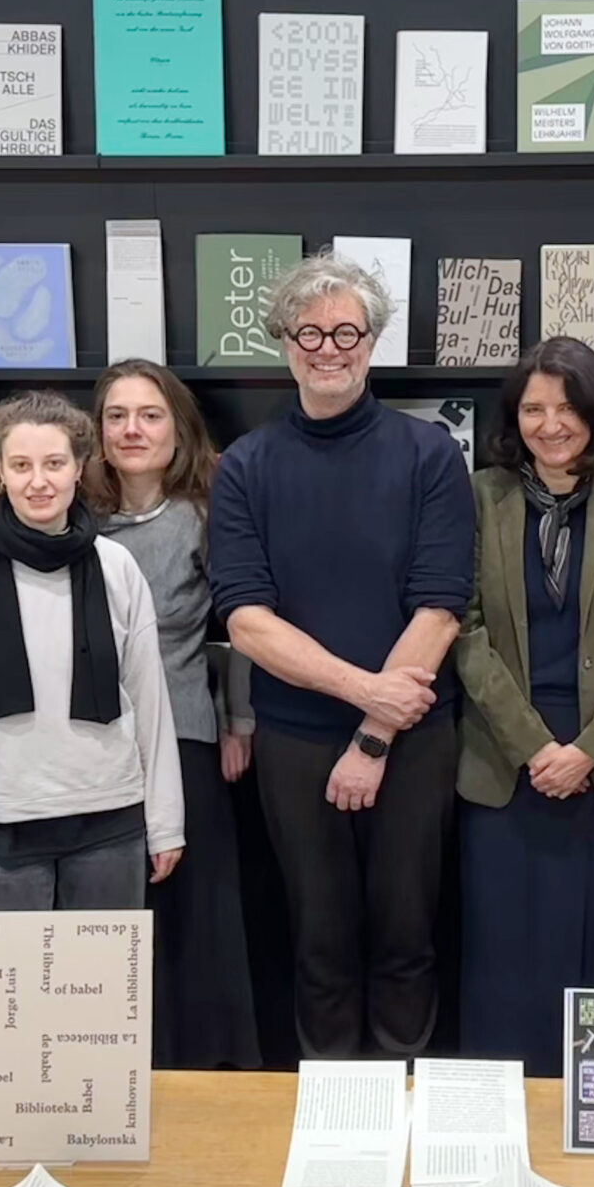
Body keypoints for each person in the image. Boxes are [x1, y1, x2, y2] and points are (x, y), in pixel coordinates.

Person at [210, 250, 476, 1058]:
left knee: (406, 940)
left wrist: (375, 735)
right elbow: (247, 621)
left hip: (414, 740)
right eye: (311, 333)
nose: (330, 348)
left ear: (373, 340)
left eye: (347, 332)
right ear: (284, 342)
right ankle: (333, 1122)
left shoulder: (429, 455)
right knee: (318, 945)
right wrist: (368, 695)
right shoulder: (246, 467)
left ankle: (404, 1116)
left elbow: (441, 607)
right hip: (295, 741)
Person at [456, 338, 594, 1074]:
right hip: (503, 758)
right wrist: (532, 746)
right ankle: (503, 1109)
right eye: (533, 408)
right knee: (504, 948)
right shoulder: (480, 494)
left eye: (568, 407)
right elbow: (464, 628)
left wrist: (587, 750)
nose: (551, 424)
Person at [0, 393, 185, 916]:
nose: (38, 481)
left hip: (111, 822)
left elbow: (150, 702)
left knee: (105, 995)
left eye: (54, 463)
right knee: (10, 999)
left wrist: (166, 822)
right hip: (2, 829)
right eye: (21, 465)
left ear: (79, 468)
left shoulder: (116, 566)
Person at [84, 360, 261, 1069]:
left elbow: (245, 622)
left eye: (150, 415)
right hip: (92, 745)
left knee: (196, 917)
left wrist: (238, 719)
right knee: (122, 921)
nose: (133, 430)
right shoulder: (71, 517)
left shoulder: (208, 514)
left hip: (187, 735)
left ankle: (209, 1073)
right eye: (118, 416)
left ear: (178, 427)